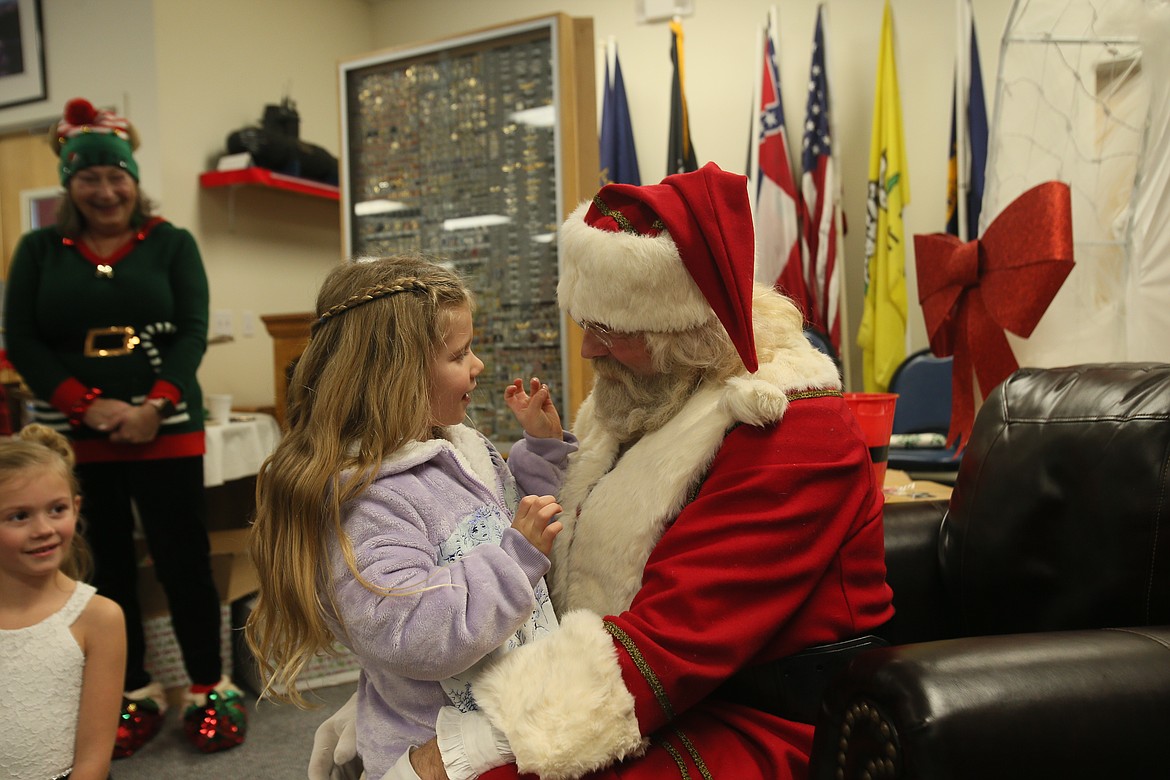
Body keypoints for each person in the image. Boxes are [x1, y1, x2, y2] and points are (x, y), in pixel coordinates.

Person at [312, 162, 896, 780]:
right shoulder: (632, 401)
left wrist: (459, 749)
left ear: (687, 331)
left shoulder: (793, 432)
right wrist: (408, 699)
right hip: (642, 699)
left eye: (609, 330)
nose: (588, 351)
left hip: (756, 718)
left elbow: (668, 645)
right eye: (585, 325)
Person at [246, 255, 568, 780]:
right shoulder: (366, 500)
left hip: (515, 716)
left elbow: (514, 522)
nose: (478, 365)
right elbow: (415, 632)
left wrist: (542, 452)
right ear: (395, 376)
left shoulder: (465, 448)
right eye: (459, 354)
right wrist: (516, 558)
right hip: (436, 748)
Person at [2, 97, 246, 758]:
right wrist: (90, 407)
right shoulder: (38, 250)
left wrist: (153, 405)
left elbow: (193, 330)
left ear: (134, 180)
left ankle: (207, 687)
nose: (105, 190)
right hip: (76, 435)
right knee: (100, 564)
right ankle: (131, 691)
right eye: (89, 177)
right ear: (69, 185)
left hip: (166, 426)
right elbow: (20, 339)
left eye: (117, 176)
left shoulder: (171, 243)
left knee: (183, 559)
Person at [0, 423, 126, 780]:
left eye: (56, 510)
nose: (43, 529)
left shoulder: (98, 618)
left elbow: (93, 761)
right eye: (19, 516)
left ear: (76, 507)